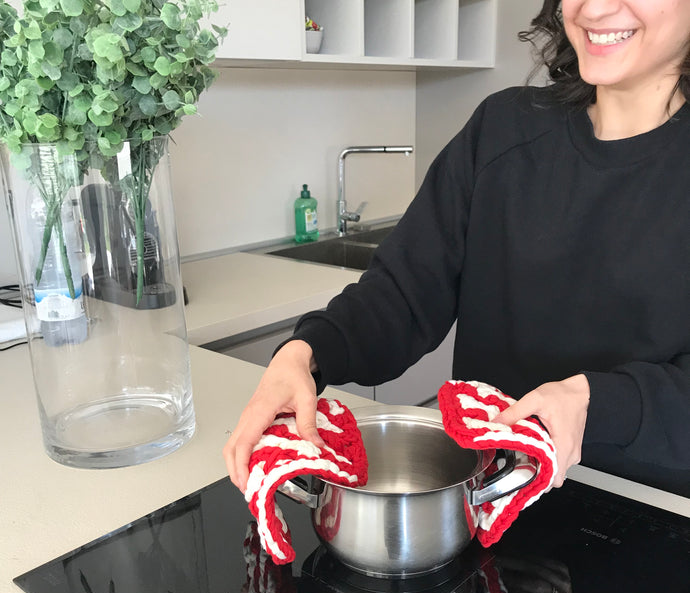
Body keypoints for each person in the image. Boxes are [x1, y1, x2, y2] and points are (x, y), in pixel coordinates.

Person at [225, 0, 690, 498]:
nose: (594, 7)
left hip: (655, 509)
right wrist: (306, 353)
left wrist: (596, 401)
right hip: (488, 495)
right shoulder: (502, 129)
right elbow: (404, 293)